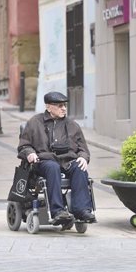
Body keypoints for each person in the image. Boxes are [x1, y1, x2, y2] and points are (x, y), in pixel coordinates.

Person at [17, 91, 95, 224]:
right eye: (59, 106)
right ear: (48, 107)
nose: (64, 108)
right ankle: (58, 211)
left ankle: (82, 210)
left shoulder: (72, 125)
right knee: (52, 168)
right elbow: (24, 146)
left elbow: (83, 148)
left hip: (67, 161)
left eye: (64, 105)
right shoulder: (35, 123)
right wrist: (30, 153)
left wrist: (83, 157)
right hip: (44, 161)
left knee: (80, 168)